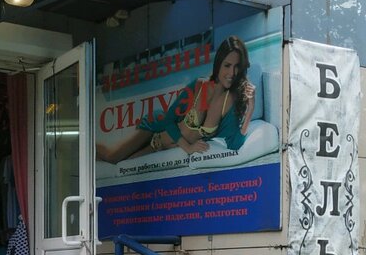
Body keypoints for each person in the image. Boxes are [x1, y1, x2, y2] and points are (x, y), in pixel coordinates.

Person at [96, 35, 256, 163]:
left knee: (122, 166)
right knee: (112, 157)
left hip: (161, 146)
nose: (232, 73)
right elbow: (168, 119)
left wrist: (250, 108)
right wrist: (188, 148)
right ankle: (86, 146)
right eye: (227, 65)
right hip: (154, 129)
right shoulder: (200, 85)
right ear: (219, 64)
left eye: (237, 67)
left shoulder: (230, 100)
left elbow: (234, 144)